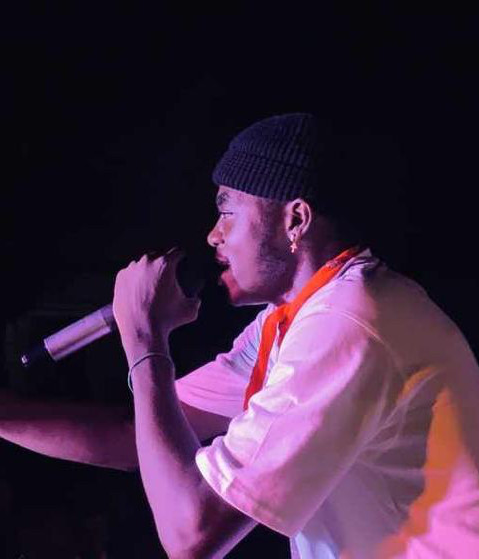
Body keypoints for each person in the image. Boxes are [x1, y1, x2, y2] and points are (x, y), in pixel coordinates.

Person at [2, 113, 479, 558]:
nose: (213, 236)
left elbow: (192, 534)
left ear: (295, 220)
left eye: (228, 212)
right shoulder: (296, 317)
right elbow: (138, 435)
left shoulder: (347, 323)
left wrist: (146, 341)